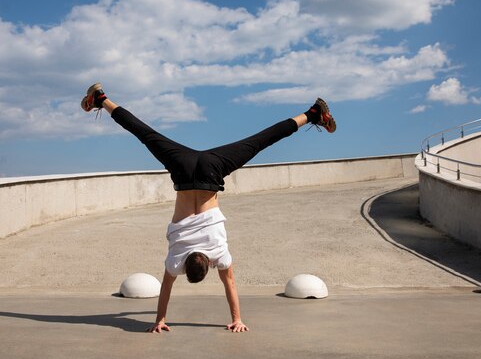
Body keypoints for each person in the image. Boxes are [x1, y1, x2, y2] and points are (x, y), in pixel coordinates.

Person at [81, 83, 336, 334]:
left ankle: (312, 114)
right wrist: (160, 320)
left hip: (213, 169)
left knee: (260, 141)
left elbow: (230, 285)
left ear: (208, 265)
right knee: (144, 133)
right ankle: (102, 98)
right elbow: (166, 289)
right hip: (182, 167)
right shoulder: (175, 260)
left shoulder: (218, 253)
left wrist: (237, 319)